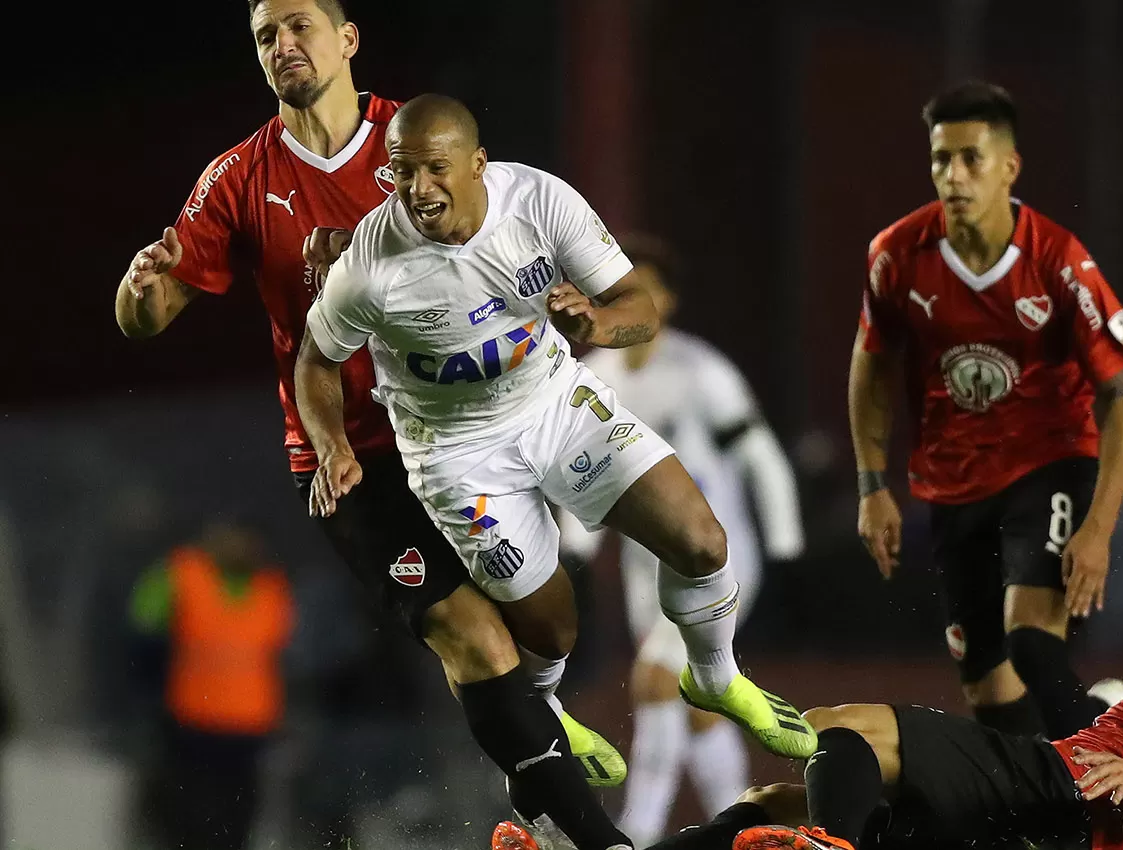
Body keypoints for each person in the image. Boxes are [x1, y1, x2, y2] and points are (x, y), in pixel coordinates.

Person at [112, 0, 624, 841]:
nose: (283, 46)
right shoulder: (240, 179)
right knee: (468, 636)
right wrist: (140, 288)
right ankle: (598, 835)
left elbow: (493, 240)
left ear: (348, 39)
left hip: (462, 432)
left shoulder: (418, 145)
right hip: (346, 454)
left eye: (299, 25)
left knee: (541, 624)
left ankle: (539, 733)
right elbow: (150, 313)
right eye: (265, 36)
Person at [296, 93, 818, 850]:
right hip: (457, 456)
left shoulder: (540, 201)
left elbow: (633, 303)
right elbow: (316, 361)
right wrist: (331, 441)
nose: (418, 190)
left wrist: (600, 325)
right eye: (401, 174)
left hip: (556, 405)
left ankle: (713, 672)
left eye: (434, 169)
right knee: (553, 627)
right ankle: (546, 725)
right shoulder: (372, 263)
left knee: (704, 542)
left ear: (478, 164)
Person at [849, 80, 1123, 740]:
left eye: (970, 159)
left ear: (1009, 168)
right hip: (953, 483)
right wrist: (872, 484)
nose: (952, 176)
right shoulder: (896, 256)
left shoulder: (1058, 261)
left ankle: (1116, 790)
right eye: (939, 160)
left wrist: (1098, 528)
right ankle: (1084, 748)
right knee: (989, 694)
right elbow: (871, 367)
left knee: (1034, 646)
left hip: (1050, 463)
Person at [731, 532, 1123, 850]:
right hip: (1044, 827)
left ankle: (827, 843)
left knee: (842, 727)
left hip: (1061, 789)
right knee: (772, 805)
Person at [557, 235, 806, 845]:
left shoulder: (701, 372)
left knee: (655, 680)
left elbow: (760, 456)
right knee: (698, 707)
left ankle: (635, 833)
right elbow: (571, 471)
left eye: (640, 292)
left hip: (716, 557)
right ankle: (744, 828)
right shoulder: (589, 378)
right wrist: (576, 552)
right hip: (647, 571)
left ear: (666, 302)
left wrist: (787, 547)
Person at [128, 521, 295, 850]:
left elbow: (291, 656)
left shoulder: (272, 589)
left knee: (235, 821)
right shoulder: (182, 575)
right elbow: (142, 630)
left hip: (248, 731)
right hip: (192, 726)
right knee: (188, 818)